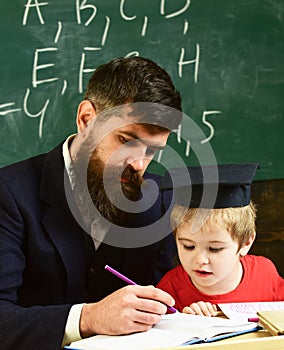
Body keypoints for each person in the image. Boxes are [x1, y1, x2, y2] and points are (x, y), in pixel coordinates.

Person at [0, 56, 183, 349]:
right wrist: (88, 318)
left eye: (152, 150)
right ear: (86, 119)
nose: (139, 164)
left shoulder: (160, 198)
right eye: (126, 140)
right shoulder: (9, 194)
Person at [157, 164, 284, 315]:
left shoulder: (265, 274)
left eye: (214, 249)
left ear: (246, 243)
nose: (200, 260)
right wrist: (184, 323)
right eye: (188, 246)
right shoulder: (169, 291)